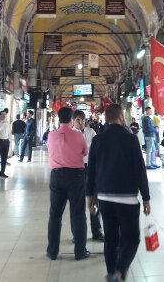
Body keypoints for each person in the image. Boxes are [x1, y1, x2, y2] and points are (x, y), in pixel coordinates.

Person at [86, 104, 151, 282]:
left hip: (105, 198)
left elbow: (91, 170)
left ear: (106, 118)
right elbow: (140, 170)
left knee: (111, 239)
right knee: (131, 239)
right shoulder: (130, 139)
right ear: (121, 117)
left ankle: (112, 273)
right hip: (127, 199)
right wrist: (146, 197)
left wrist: (90, 195)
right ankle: (121, 270)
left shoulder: (98, 140)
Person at [46, 106, 90, 261]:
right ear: (72, 120)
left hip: (57, 176)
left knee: (55, 215)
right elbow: (85, 152)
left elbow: (50, 150)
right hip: (76, 176)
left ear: (59, 119)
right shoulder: (78, 136)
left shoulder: (51, 135)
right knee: (78, 214)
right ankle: (80, 251)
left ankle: (52, 252)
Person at [73, 110, 104, 242]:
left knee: (94, 199)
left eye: (82, 120)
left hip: (91, 168)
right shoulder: (71, 134)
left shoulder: (91, 133)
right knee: (78, 203)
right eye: (78, 120)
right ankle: (78, 234)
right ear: (73, 121)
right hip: (77, 169)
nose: (81, 122)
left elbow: (95, 149)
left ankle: (96, 231)